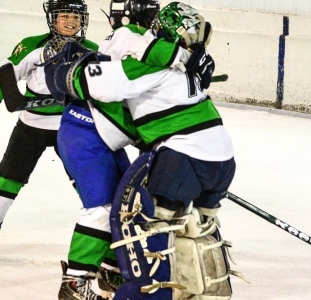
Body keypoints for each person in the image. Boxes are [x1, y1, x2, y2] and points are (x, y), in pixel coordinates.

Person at [43, 2, 244, 299]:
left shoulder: (159, 55)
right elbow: (122, 61)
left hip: (147, 146)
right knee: (111, 210)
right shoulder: (143, 44)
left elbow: (109, 80)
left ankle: (124, 278)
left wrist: (63, 75)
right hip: (89, 134)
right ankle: (78, 280)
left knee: (136, 218)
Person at [0, 0, 98, 264]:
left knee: (90, 181)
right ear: (53, 19)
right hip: (31, 127)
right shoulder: (32, 45)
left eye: (75, 17)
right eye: (64, 16)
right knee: (9, 177)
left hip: (71, 127)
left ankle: (104, 229)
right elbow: (5, 75)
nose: (70, 22)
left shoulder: (93, 50)